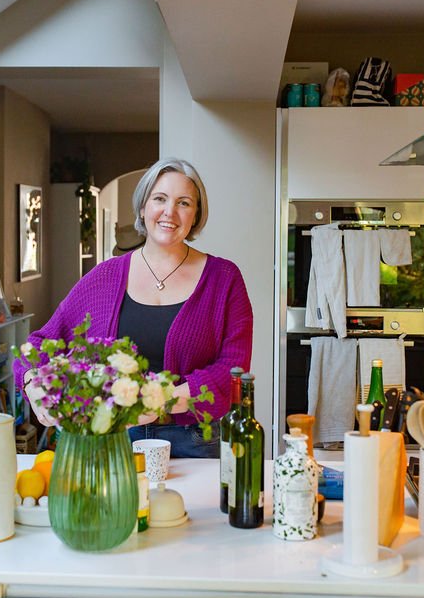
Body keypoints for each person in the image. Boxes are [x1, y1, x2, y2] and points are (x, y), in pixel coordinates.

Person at [18, 157, 253, 458]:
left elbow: (233, 369)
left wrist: (161, 401)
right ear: (143, 208)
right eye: (159, 199)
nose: (170, 212)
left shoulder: (224, 279)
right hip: (110, 441)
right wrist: (33, 383)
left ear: (196, 215)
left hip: (195, 443)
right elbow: (39, 345)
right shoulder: (104, 277)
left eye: (183, 202)